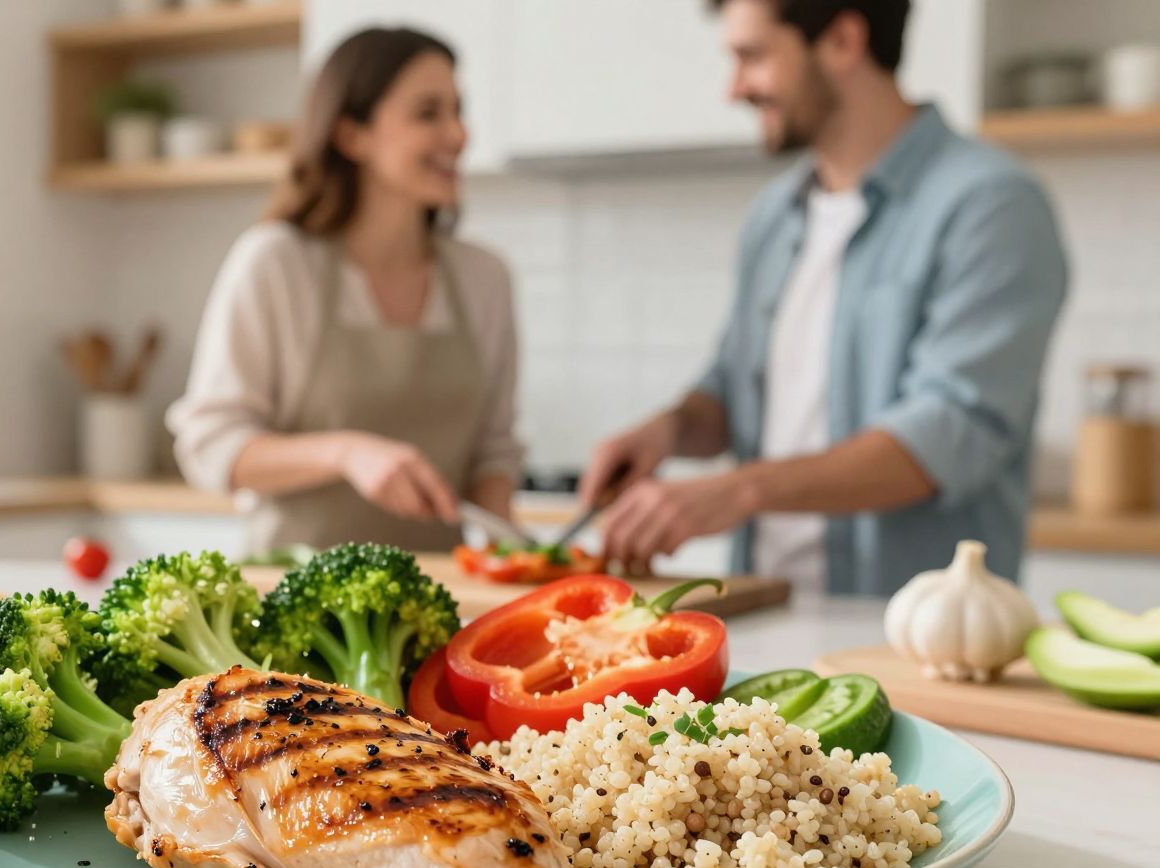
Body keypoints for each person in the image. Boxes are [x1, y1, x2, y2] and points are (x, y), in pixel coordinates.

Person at [579, 0, 1069, 596]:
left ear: (842, 40)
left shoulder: (990, 204)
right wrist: (672, 430)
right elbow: (734, 391)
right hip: (763, 606)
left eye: (753, 56)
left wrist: (741, 490)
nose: (735, 89)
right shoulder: (775, 216)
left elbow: (947, 432)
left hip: (907, 635)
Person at [167, 28, 523, 555]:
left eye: (458, 111)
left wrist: (513, 561)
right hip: (287, 604)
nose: (458, 135)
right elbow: (210, 446)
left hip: (436, 608)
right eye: (428, 113)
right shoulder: (277, 263)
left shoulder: (484, 277)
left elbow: (493, 456)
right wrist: (347, 454)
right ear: (352, 134)